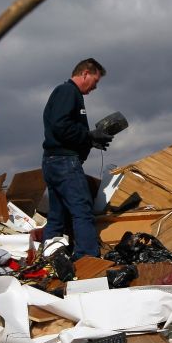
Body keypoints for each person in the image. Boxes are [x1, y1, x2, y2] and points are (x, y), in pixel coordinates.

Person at [41, 58, 114, 260]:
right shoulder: (67, 92)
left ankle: (51, 259)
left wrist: (91, 141)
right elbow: (60, 126)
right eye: (95, 81)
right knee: (82, 210)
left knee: (57, 216)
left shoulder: (69, 94)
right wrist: (89, 136)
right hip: (64, 163)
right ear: (84, 74)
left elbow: (64, 131)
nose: (95, 87)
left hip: (54, 161)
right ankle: (87, 260)